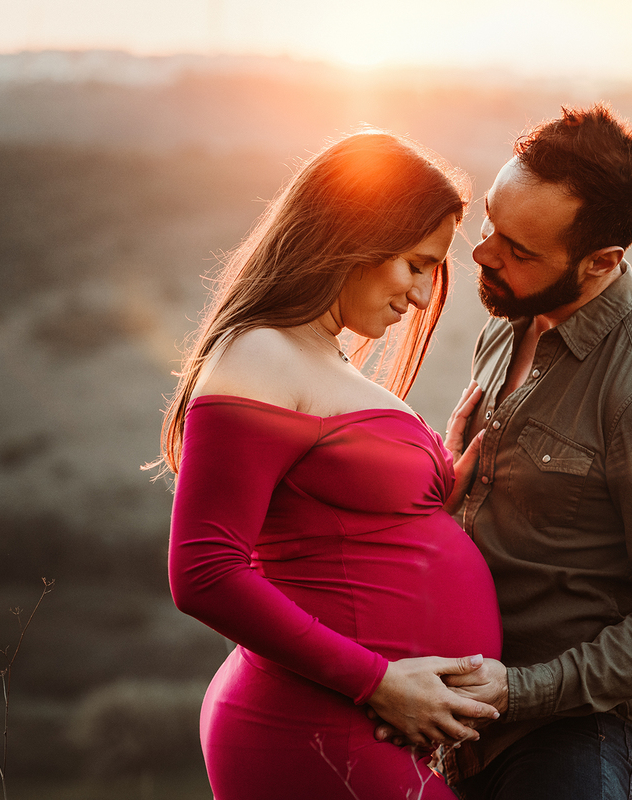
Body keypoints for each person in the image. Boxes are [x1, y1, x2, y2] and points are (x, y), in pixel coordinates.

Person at [384, 103, 632, 799]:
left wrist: (523, 690)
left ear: (601, 262)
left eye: (519, 250)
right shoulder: (512, 318)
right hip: (452, 714)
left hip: (574, 737)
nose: (482, 256)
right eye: (490, 225)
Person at [160, 130, 504, 799]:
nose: (422, 295)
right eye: (414, 263)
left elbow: (341, 515)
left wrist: (436, 482)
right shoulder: (259, 355)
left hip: (357, 724)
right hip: (318, 723)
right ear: (355, 237)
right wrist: (380, 683)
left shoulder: (321, 358)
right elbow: (202, 572)